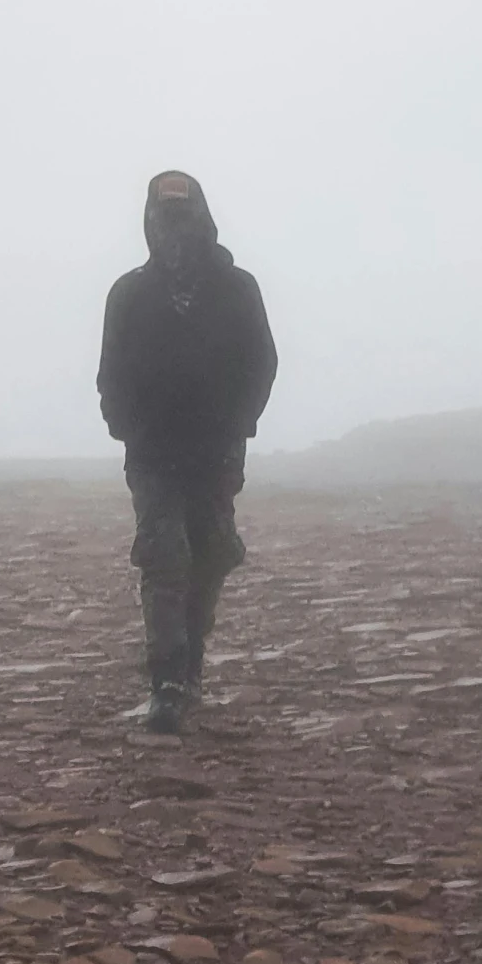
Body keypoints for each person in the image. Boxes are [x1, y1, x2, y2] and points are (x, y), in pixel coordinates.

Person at [97, 171, 277, 734]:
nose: (174, 228)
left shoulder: (238, 288)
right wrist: (123, 423)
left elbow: (262, 362)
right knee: (163, 555)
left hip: (215, 450)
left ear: (201, 216)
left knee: (210, 551)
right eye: (164, 216)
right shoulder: (128, 293)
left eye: (183, 215)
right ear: (150, 221)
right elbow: (110, 371)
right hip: (152, 453)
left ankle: (190, 660)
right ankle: (168, 681)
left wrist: (239, 424)